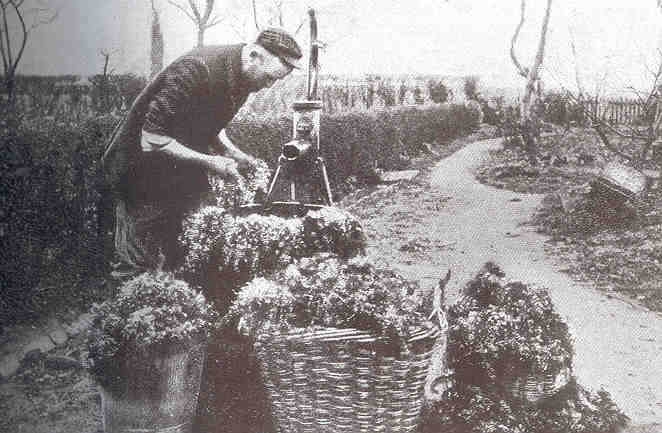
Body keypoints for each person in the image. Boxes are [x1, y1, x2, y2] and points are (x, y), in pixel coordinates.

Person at [102, 27, 302, 278]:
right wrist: (210, 161)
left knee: (185, 251)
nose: (269, 86)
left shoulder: (244, 79)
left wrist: (233, 152)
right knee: (138, 263)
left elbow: (210, 125)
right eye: (270, 77)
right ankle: (130, 309)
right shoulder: (195, 68)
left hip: (176, 172)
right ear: (254, 55)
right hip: (140, 173)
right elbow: (153, 138)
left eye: (276, 81)